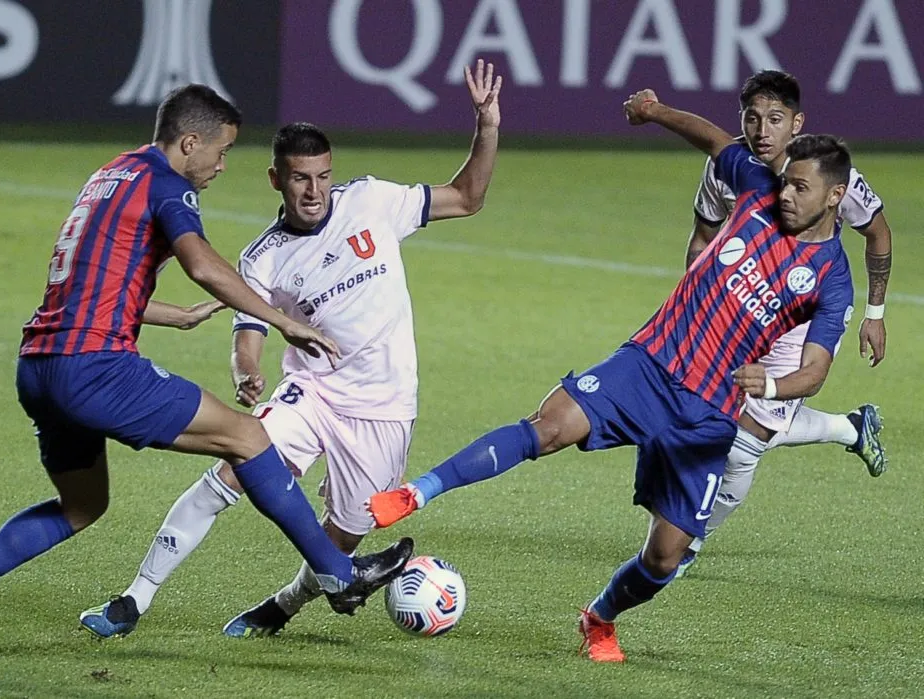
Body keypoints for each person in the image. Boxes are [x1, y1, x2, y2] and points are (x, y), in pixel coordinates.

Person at [0, 84, 412, 670]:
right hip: (94, 367)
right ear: (190, 142)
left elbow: (90, 283)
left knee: (81, 505)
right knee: (248, 437)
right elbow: (202, 264)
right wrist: (281, 321)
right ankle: (338, 573)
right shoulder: (167, 185)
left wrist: (176, 316)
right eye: (221, 151)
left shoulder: (112, 174)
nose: (222, 165)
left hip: (40, 365)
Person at [369, 91, 857, 663]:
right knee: (549, 427)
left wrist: (769, 387)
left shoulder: (831, 277)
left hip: (708, 413)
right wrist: (656, 113)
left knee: (664, 558)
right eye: (787, 181)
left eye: (800, 187)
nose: (786, 194)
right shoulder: (756, 188)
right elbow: (713, 139)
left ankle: (600, 618)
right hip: (649, 365)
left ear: (835, 195)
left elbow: (815, 371)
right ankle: (416, 493)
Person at [79, 60, 503, 640]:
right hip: (312, 392)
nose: (314, 191)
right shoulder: (264, 257)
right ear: (276, 179)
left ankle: (280, 606)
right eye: (301, 178)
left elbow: (468, 197)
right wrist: (246, 369)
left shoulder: (371, 202)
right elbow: (248, 328)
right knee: (230, 471)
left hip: (384, 406)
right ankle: (134, 598)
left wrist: (486, 125)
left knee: (344, 536)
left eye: (323, 176)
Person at [677, 71, 891, 573]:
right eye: (752, 118)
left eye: (775, 119)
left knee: (746, 440)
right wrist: (693, 302)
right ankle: (850, 428)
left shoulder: (830, 175)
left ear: (796, 123)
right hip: (741, 303)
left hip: (803, 315)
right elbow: (703, 237)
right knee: (711, 412)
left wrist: (875, 314)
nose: (762, 130)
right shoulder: (725, 168)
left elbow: (879, 234)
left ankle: (690, 542)